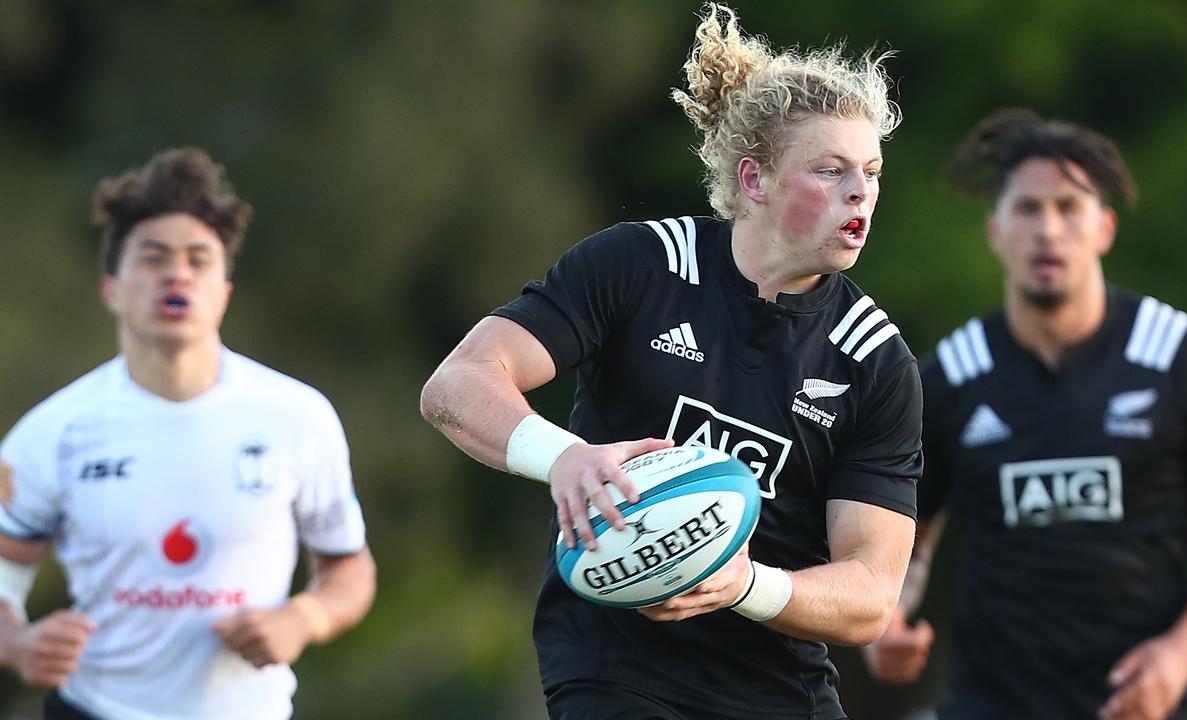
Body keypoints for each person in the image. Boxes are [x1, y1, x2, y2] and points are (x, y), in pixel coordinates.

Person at [420, 4, 922, 719]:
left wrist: (746, 584)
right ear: (754, 181)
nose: (859, 192)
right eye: (830, 169)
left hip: (779, 691)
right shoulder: (640, 266)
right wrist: (564, 458)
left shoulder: (874, 360)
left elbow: (871, 592)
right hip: (612, 670)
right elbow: (457, 384)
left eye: (870, 172)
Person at [863, 109, 1187, 720]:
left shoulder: (1183, 357)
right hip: (990, 704)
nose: (1048, 231)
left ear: (1104, 228)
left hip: (1144, 703)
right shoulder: (949, 377)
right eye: (1027, 209)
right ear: (995, 231)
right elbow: (905, 547)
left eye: (1068, 208)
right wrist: (883, 620)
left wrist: (1182, 654)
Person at [0, 148, 377, 720]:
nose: (177, 273)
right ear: (112, 289)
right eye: (153, 259)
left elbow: (349, 569)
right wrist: (15, 644)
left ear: (223, 291)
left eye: (199, 260)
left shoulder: (299, 416)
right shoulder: (53, 432)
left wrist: (302, 620)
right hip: (94, 709)